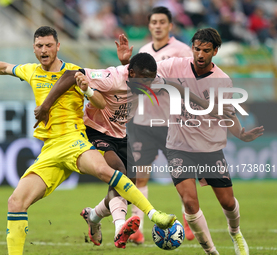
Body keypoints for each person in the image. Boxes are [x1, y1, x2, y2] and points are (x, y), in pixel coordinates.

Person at [0, 26, 177, 255]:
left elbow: (99, 101)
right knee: (15, 202)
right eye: (39, 46)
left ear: (58, 47)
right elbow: (4, 67)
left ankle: (152, 214)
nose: (44, 50)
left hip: (75, 141)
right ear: (34, 49)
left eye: (49, 45)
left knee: (110, 172)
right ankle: (98, 217)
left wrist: (81, 92)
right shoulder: (31, 71)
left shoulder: (74, 71)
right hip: (49, 150)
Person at [33, 51, 235, 249]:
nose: (147, 86)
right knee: (119, 173)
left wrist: (208, 106)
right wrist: (45, 105)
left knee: (127, 187)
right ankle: (120, 227)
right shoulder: (110, 78)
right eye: (142, 81)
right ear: (131, 74)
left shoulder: (149, 79)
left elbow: (177, 89)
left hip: (121, 135)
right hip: (95, 131)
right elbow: (70, 74)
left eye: (149, 81)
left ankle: (93, 215)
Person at [120, 28, 264, 254]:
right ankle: (211, 252)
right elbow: (148, 73)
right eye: (197, 49)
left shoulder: (222, 81)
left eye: (206, 50)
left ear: (215, 51)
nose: (200, 54)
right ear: (192, 48)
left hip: (210, 148)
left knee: (227, 202)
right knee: (189, 202)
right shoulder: (174, 66)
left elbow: (228, 115)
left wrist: (241, 134)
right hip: (179, 147)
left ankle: (235, 232)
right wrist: (129, 65)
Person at [116, 6, 195, 243]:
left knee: (181, 175)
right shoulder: (142, 51)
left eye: (162, 22)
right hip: (142, 123)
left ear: (170, 25)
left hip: (172, 123)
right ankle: (136, 226)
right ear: (149, 26)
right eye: (154, 22)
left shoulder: (182, 51)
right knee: (140, 177)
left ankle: (188, 220)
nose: (158, 26)